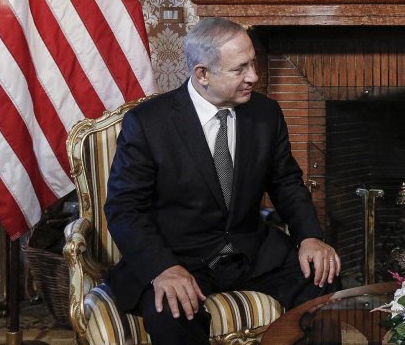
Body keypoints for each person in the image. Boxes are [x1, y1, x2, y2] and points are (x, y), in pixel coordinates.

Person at [105, 18, 340, 344]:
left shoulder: (265, 114)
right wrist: (163, 269)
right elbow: (124, 207)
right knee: (171, 312)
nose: (253, 77)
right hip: (180, 256)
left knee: (323, 278)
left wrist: (310, 237)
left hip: (251, 251)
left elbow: (286, 182)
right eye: (240, 69)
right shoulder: (149, 124)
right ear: (202, 74)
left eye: (253, 63)